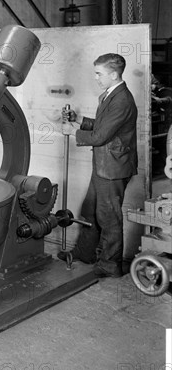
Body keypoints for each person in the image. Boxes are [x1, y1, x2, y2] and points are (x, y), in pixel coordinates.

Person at [58, 53, 138, 278]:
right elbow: (104, 126)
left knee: (109, 218)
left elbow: (101, 136)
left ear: (113, 74)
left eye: (99, 73)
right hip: (104, 165)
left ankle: (110, 266)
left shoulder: (122, 100)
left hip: (113, 169)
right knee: (90, 211)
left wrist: (74, 131)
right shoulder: (110, 94)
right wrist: (80, 120)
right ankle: (85, 253)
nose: (96, 78)